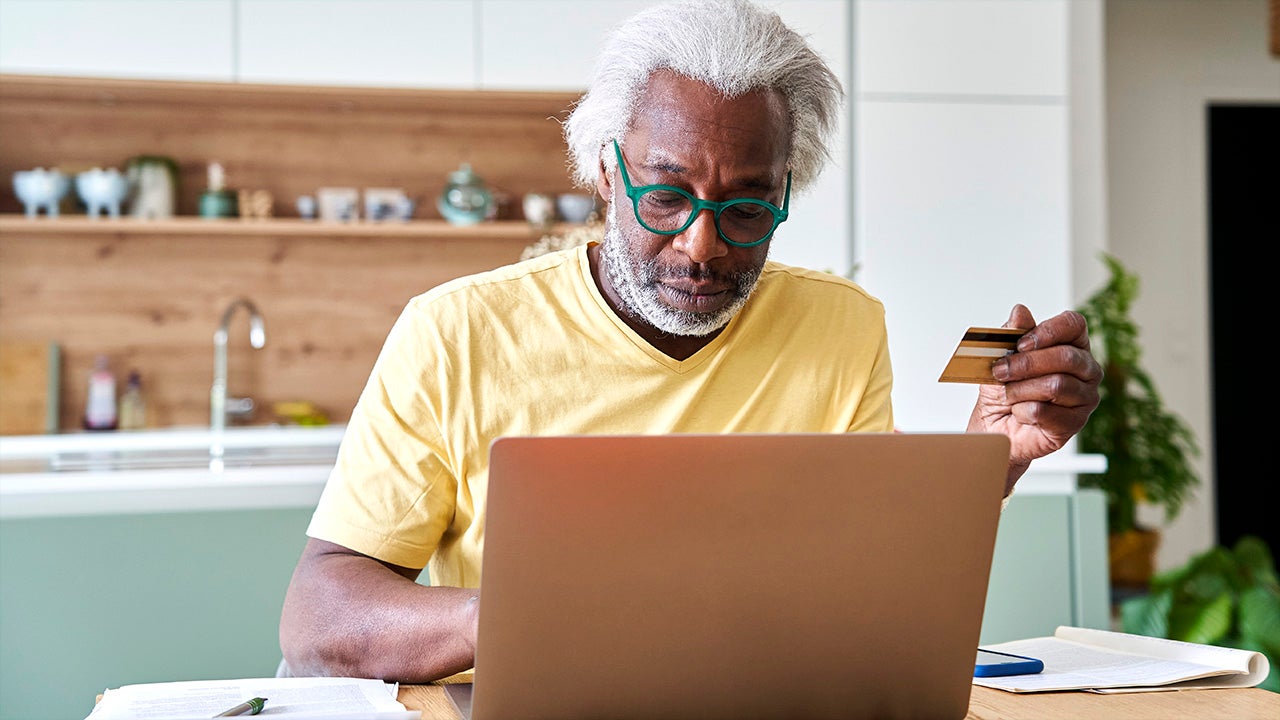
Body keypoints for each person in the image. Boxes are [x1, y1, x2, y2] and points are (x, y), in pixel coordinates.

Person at [279, 0, 1101, 683]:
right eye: (667, 196)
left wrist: (993, 460)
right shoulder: (457, 331)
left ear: (787, 188)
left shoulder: (843, 326)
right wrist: (523, 618)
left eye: (746, 207)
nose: (703, 246)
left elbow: (867, 587)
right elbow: (319, 617)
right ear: (607, 172)